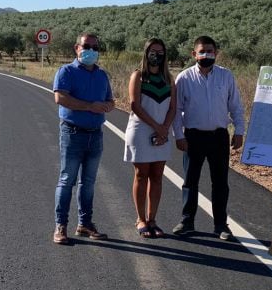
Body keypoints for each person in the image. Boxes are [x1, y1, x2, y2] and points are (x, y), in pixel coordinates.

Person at [171, 36, 245, 241]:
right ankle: (187, 221)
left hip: (219, 136)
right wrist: (178, 135)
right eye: (202, 51)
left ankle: (221, 224)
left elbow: (236, 106)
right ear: (193, 54)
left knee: (220, 182)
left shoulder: (226, 76)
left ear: (216, 53)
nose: (206, 55)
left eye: (210, 51)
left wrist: (239, 131)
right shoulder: (184, 78)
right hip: (193, 136)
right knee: (190, 181)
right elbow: (176, 110)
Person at [52, 33, 115, 245]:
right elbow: (60, 97)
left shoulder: (101, 75)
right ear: (76, 48)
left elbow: (110, 100)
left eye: (95, 47)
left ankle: (85, 224)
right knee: (66, 180)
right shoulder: (66, 71)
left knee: (88, 183)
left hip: (95, 134)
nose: (91, 50)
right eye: (87, 46)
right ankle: (61, 225)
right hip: (72, 133)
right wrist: (90, 106)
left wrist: (108, 106)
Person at [124, 38, 178, 238]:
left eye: (160, 51)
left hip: (162, 132)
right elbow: (134, 105)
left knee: (157, 176)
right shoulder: (138, 76)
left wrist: (164, 129)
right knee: (141, 174)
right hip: (141, 130)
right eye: (153, 51)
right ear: (146, 53)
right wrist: (157, 127)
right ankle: (141, 219)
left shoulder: (169, 78)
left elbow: (173, 107)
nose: (157, 55)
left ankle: (152, 219)